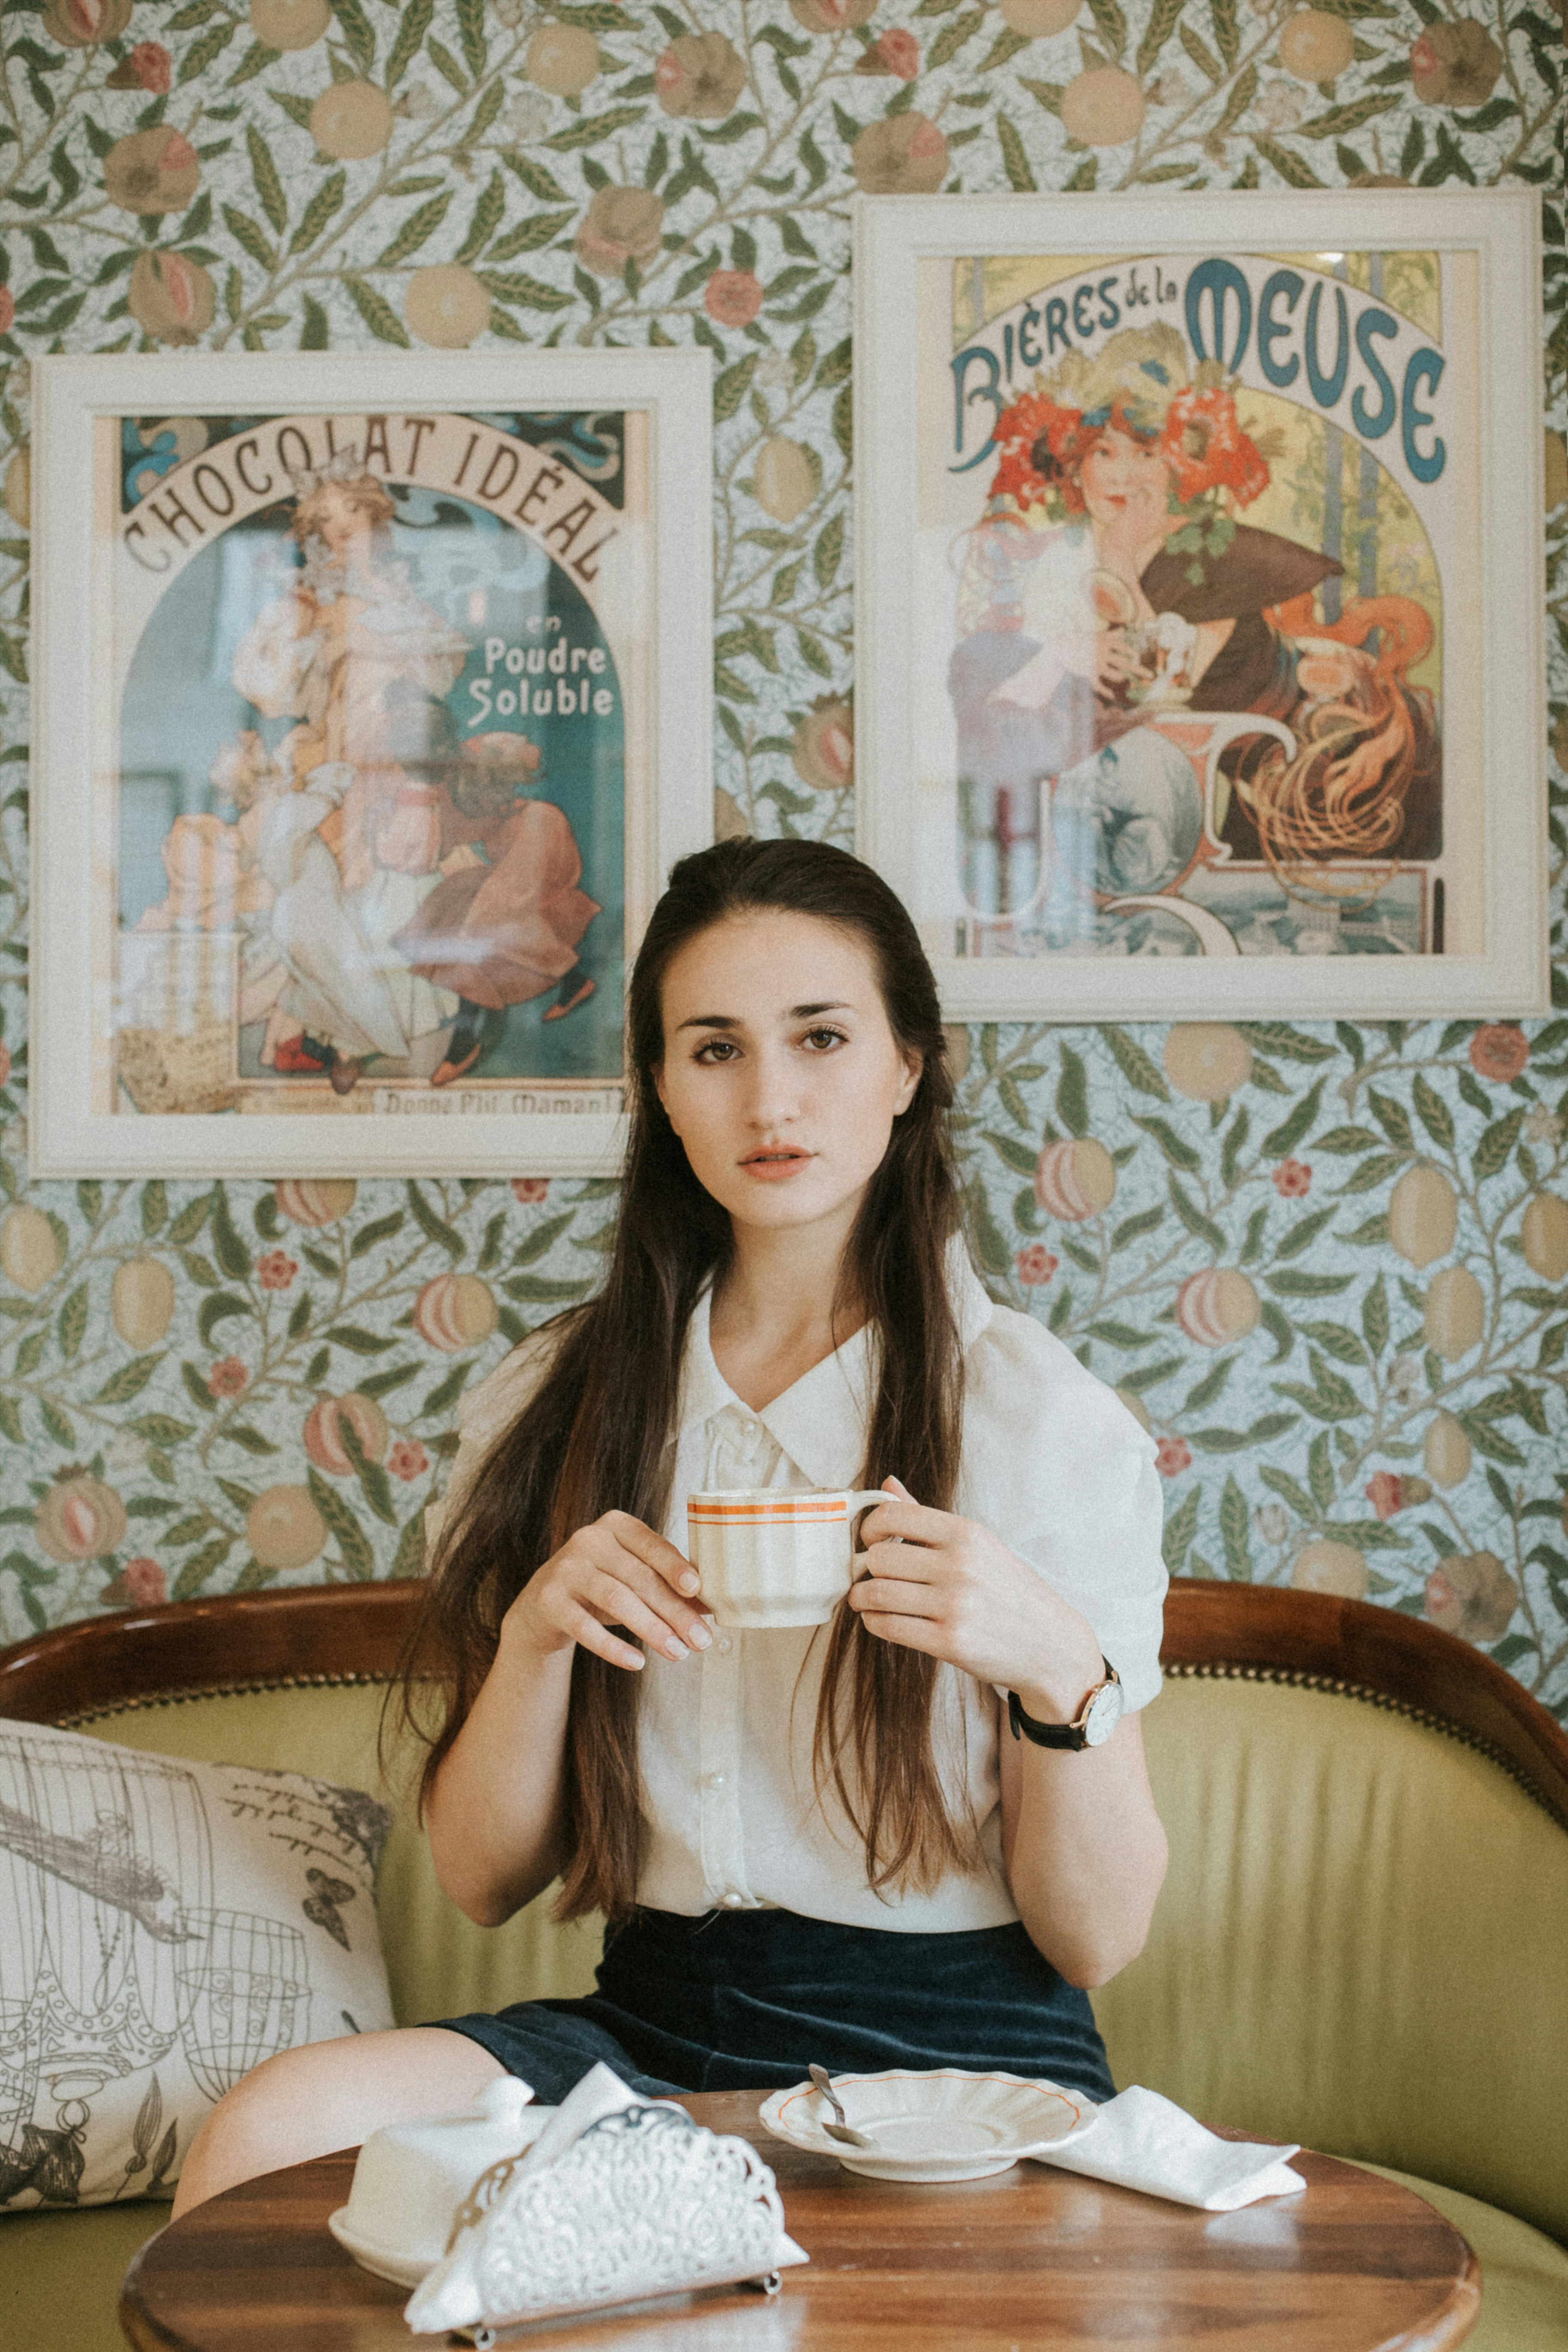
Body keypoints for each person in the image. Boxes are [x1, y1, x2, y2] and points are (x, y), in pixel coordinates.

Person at [171, 836, 1169, 2215]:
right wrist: (535, 1639)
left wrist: (1056, 1667)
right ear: (660, 1086)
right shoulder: (552, 1402)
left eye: (821, 1037)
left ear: (909, 1066)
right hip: (649, 2040)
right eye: (715, 1050)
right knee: (270, 2136)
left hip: (963, 2063)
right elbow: (477, 1880)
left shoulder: (1037, 1424)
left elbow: (1100, 1939)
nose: (772, 1097)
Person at [950, 322, 1440, 913]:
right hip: (1180, 784)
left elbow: (1152, 691)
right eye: (1104, 452)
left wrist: (1121, 560)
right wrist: (1057, 656)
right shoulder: (1058, 555)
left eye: (1146, 454)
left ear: (1178, 466)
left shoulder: (1219, 555)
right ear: (1077, 465)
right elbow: (1017, 694)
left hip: (1313, 764)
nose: (1124, 474)